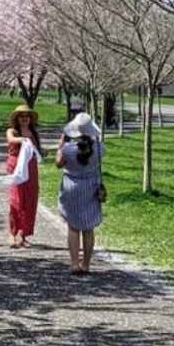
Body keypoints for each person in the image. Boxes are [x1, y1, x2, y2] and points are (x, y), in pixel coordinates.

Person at [55, 112, 105, 275]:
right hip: (91, 187)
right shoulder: (99, 148)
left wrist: (60, 147)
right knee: (88, 228)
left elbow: (58, 164)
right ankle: (86, 264)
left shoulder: (68, 149)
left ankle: (75, 263)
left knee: (73, 227)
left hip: (72, 187)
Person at [0, 104, 42, 248]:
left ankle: (23, 234)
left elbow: (37, 150)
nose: (24, 119)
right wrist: (22, 139)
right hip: (15, 166)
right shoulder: (12, 131)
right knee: (16, 200)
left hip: (31, 168)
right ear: (17, 119)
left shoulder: (33, 133)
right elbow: (11, 139)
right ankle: (12, 233)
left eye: (27, 116)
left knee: (30, 200)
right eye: (21, 116)